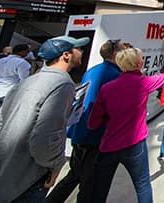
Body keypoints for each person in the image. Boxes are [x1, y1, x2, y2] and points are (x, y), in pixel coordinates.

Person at [0, 35, 88, 203]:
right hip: (27, 180)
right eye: (79, 49)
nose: (82, 52)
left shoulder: (29, 81)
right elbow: (45, 137)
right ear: (66, 55)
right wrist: (55, 165)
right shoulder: (62, 85)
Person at [88, 48, 164, 203]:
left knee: (100, 187)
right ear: (139, 63)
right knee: (142, 184)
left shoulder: (107, 88)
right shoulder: (144, 83)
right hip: (135, 144)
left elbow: (93, 122)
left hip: (109, 144)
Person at [45, 39, 125, 203]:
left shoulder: (93, 70)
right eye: (124, 50)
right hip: (97, 137)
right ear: (115, 54)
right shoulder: (115, 76)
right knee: (92, 184)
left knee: (75, 175)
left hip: (80, 133)